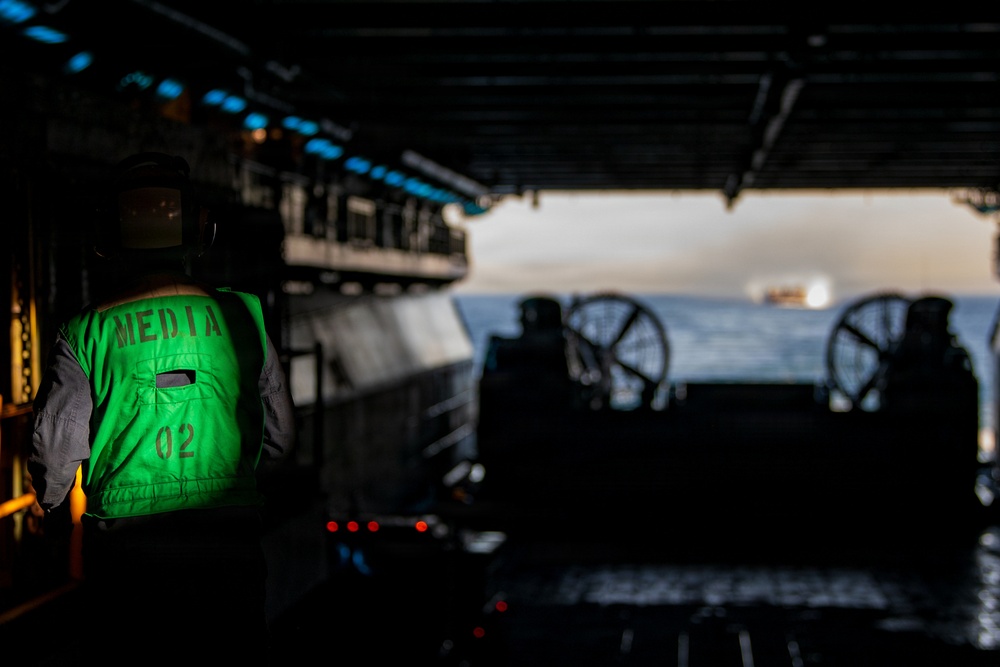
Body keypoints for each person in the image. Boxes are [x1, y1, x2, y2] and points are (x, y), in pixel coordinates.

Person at [27, 152, 295, 663]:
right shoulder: (243, 314)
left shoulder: (86, 331)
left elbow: (55, 451)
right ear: (201, 232)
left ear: (108, 238)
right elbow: (280, 439)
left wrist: (53, 505)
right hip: (228, 541)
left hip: (130, 551)